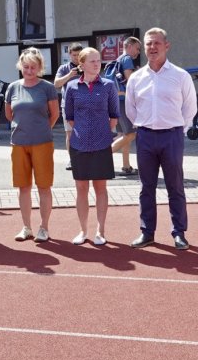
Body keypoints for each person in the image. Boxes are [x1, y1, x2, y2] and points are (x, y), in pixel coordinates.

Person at [126, 28, 197, 250]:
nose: (152, 47)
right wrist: (145, 123)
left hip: (172, 137)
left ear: (167, 45)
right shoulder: (136, 78)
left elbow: (190, 108)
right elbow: (130, 109)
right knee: (146, 187)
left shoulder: (180, 76)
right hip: (145, 137)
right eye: (148, 44)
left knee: (175, 186)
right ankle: (147, 232)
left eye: (157, 43)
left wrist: (177, 128)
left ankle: (179, 233)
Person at [64, 47, 119, 245]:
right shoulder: (71, 87)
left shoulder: (108, 86)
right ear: (82, 64)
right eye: (92, 61)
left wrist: (101, 132)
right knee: (81, 188)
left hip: (102, 144)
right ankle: (82, 230)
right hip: (79, 145)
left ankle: (100, 231)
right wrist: (84, 131)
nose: (97, 64)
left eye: (99, 60)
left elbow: (114, 115)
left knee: (100, 188)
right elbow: (69, 116)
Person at [5, 48, 59, 243]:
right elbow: (9, 114)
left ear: (39, 68)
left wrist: (41, 129)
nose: (29, 70)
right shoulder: (12, 87)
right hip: (19, 143)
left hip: (42, 143)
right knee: (23, 187)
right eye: (26, 67)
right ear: (21, 67)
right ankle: (26, 227)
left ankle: (44, 228)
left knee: (44, 187)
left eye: (33, 67)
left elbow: (54, 115)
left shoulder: (47, 87)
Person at [111, 36, 142, 175]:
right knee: (131, 134)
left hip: (114, 99)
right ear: (129, 46)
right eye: (137, 48)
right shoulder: (127, 59)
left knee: (124, 134)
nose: (138, 52)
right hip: (123, 99)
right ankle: (100, 157)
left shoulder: (118, 60)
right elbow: (130, 79)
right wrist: (140, 73)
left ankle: (126, 166)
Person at [53, 43, 83, 170]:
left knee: (84, 132)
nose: (76, 58)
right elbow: (56, 84)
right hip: (68, 105)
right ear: (69, 54)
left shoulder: (87, 65)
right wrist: (70, 75)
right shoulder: (64, 68)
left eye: (78, 55)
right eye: (74, 55)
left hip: (84, 104)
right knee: (69, 133)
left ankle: (84, 157)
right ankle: (72, 160)